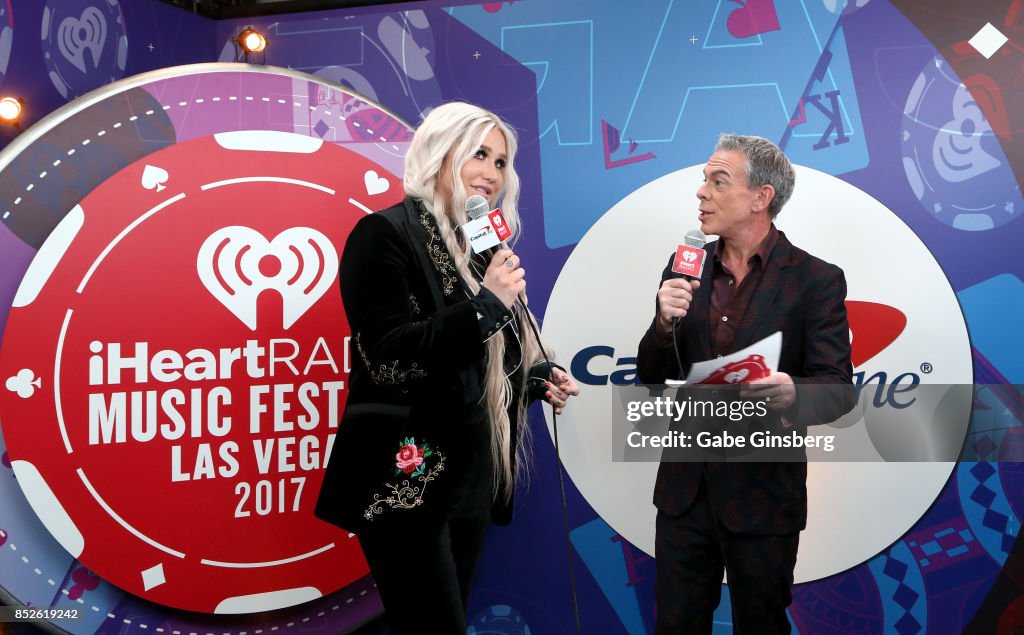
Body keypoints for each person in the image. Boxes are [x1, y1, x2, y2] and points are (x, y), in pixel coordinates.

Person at [314, 101, 579, 634]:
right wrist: (487, 305)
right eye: (479, 154)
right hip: (404, 474)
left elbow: (470, 372)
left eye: (502, 162)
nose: (492, 173)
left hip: (470, 477)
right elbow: (388, 356)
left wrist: (532, 380)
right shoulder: (382, 235)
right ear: (440, 152)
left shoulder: (480, 248)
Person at [636, 134, 855, 633]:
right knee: (675, 624)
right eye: (703, 180)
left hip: (763, 495)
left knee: (760, 625)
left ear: (761, 197)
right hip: (684, 494)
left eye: (719, 181)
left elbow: (839, 388)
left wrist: (793, 393)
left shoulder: (815, 280)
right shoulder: (684, 268)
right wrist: (662, 327)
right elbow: (652, 374)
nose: (701, 193)